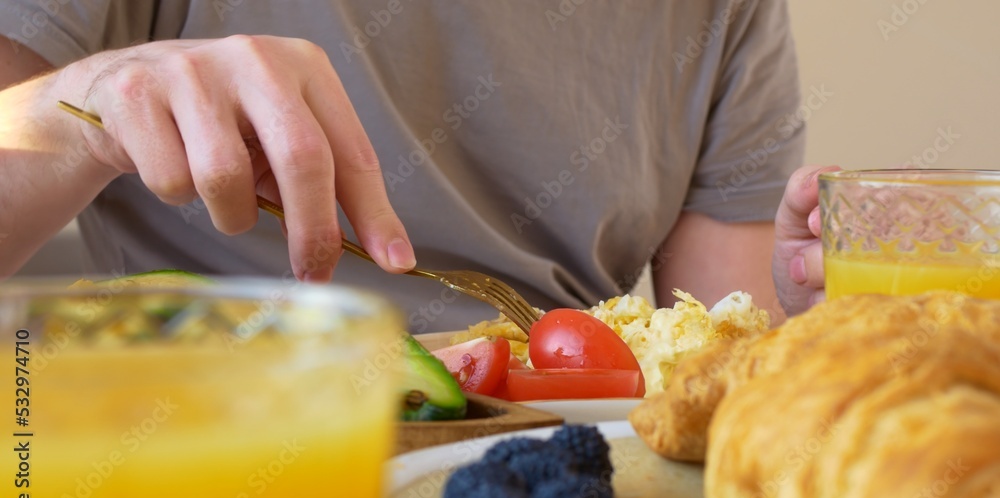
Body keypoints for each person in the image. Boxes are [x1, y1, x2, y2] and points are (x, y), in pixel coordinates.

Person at [0, 0, 827, 332]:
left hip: (565, 478)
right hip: (211, 448)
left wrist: (795, 320)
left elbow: (725, 338)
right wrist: (77, 113)